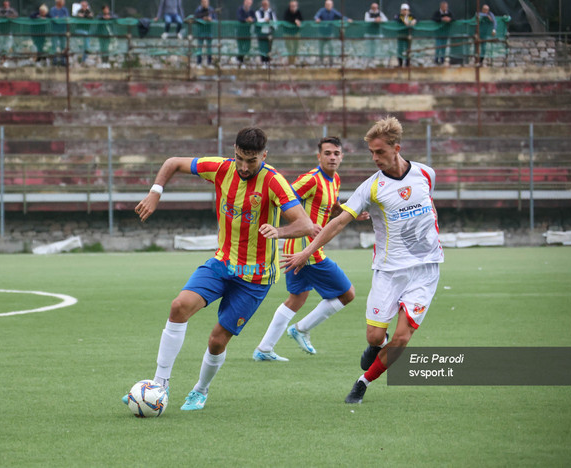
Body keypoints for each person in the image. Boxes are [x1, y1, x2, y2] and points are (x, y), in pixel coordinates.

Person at [126, 127, 314, 412]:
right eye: (240, 158)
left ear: (265, 155)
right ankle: (159, 384)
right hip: (222, 262)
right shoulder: (221, 169)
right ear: (234, 151)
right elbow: (172, 162)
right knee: (179, 307)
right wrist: (155, 192)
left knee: (216, 340)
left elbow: (305, 224)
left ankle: (200, 390)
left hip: (255, 277)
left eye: (252, 161)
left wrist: (280, 230)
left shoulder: (274, 182)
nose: (244, 166)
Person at [282, 116, 444, 405]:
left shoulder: (426, 174)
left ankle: (362, 382)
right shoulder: (370, 187)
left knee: (402, 339)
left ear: (397, 148)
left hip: (425, 270)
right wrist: (306, 251)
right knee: (374, 336)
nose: (375, 158)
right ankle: (376, 349)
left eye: (380, 151)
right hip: (388, 271)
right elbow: (339, 222)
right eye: (371, 152)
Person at [254, 137, 365, 362]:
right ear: (319, 157)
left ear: (342, 156)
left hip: (303, 250)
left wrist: (349, 213)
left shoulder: (334, 181)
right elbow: (283, 200)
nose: (332, 157)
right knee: (347, 293)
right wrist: (304, 224)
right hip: (306, 251)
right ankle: (301, 329)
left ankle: (264, 349)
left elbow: (329, 209)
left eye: (336, 153)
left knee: (297, 298)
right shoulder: (311, 180)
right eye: (327, 153)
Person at [313, 0, 352, 65]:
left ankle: (331, 61)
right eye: (327, 5)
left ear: (332, 5)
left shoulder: (333, 11)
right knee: (321, 48)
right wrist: (317, 19)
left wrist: (347, 19)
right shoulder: (322, 10)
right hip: (321, 33)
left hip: (329, 33)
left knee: (331, 48)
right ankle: (321, 61)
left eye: (330, 5)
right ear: (325, 5)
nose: (328, 6)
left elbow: (340, 16)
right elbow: (316, 16)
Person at [193, 0, 217, 67]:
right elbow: (195, 19)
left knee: (209, 47)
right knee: (199, 47)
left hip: (209, 31)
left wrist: (210, 20)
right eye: (203, 2)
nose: (205, 3)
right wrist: (202, 19)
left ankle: (209, 62)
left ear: (208, 2)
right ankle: (199, 62)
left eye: (206, 2)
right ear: (201, 3)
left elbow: (215, 20)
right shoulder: (198, 10)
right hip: (200, 31)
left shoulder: (211, 10)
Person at [255, 0, 276, 66]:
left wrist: (271, 23)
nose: (265, 6)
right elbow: (257, 21)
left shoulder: (271, 13)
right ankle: (263, 61)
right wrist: (264, 20)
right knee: (262, 47)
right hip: (261, 33)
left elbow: (275, 22)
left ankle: (268, 62)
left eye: (266, 4)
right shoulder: (258, 12)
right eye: (264, 4)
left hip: (269, 33)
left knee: (269, 47)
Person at [394, 3, 416, 67]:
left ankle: (407, 63)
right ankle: (400, 64)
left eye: (406, 10)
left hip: (408, 35)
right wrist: (404, 20)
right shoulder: (398, 15)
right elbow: (397, 19)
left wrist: (414, 21)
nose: (404, 11)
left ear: (408, 10)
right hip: (400, 35)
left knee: (408, 49)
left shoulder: (411, 16)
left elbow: (416, 19)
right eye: (403, 10)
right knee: (400, 49)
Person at [49, 0, 69, 66]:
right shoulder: (52, 9)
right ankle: (54, 61)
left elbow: (67, 18)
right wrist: (60, 19)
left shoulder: (64, 9)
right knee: (54, 46)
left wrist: (59, 18)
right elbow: (53, 19)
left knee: (63, 46)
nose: (63, 2)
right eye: (62, 1)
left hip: (63, 30)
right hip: (54, 30)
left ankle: (63, 61)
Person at [236, 0, 256, 66]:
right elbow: (239, 18)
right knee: (240, 47)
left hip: (248, 32)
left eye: (250, 3)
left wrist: (252, 20)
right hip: (240, 31)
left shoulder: (252, 11)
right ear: (244, 2)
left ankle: (240, 58)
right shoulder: (240, 9)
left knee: (248, 47)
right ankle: (240, 61)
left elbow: (255, 18)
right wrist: (246, 20)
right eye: (247, 3)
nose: (248, 4)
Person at [282, 1, 302, 66]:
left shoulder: (298, 12)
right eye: (291, 6)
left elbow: (301, 20)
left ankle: (294, 61)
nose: (293, 8)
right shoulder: (287, 12)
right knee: (290, 48)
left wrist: (298, 21)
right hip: (287, 33)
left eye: (294, 6)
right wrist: (294, 21)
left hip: (296, 33)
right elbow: (286, 19)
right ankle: (291, 62)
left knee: (296, 48)